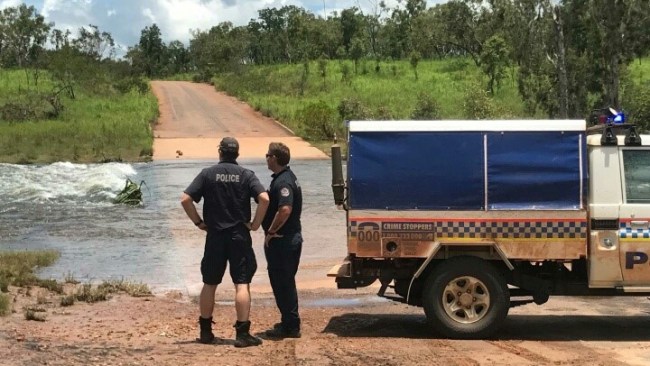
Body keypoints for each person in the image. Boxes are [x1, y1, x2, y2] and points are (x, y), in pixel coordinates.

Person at [181, 137, 269, 348]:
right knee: (241, 283)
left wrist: (198, 223)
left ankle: (205, 332)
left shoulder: (207, 174)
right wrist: (256, 224)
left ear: (220, 152)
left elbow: (185, 199)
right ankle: (242, 334)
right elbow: (264, 198)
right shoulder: (247, 175)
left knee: (210, 283)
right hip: (239, 236)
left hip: (215, 236)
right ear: (237, 153)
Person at [261, 142, 303, 338]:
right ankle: (289, 321)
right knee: (285, 282)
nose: (266, 157)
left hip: (283, 241)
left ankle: (291, 326)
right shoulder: (284, 178)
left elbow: (285, 209)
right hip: (289, 239)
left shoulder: (283, 182)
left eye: (268, 155)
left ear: (274, 158)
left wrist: (270, 231)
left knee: (282, 282)